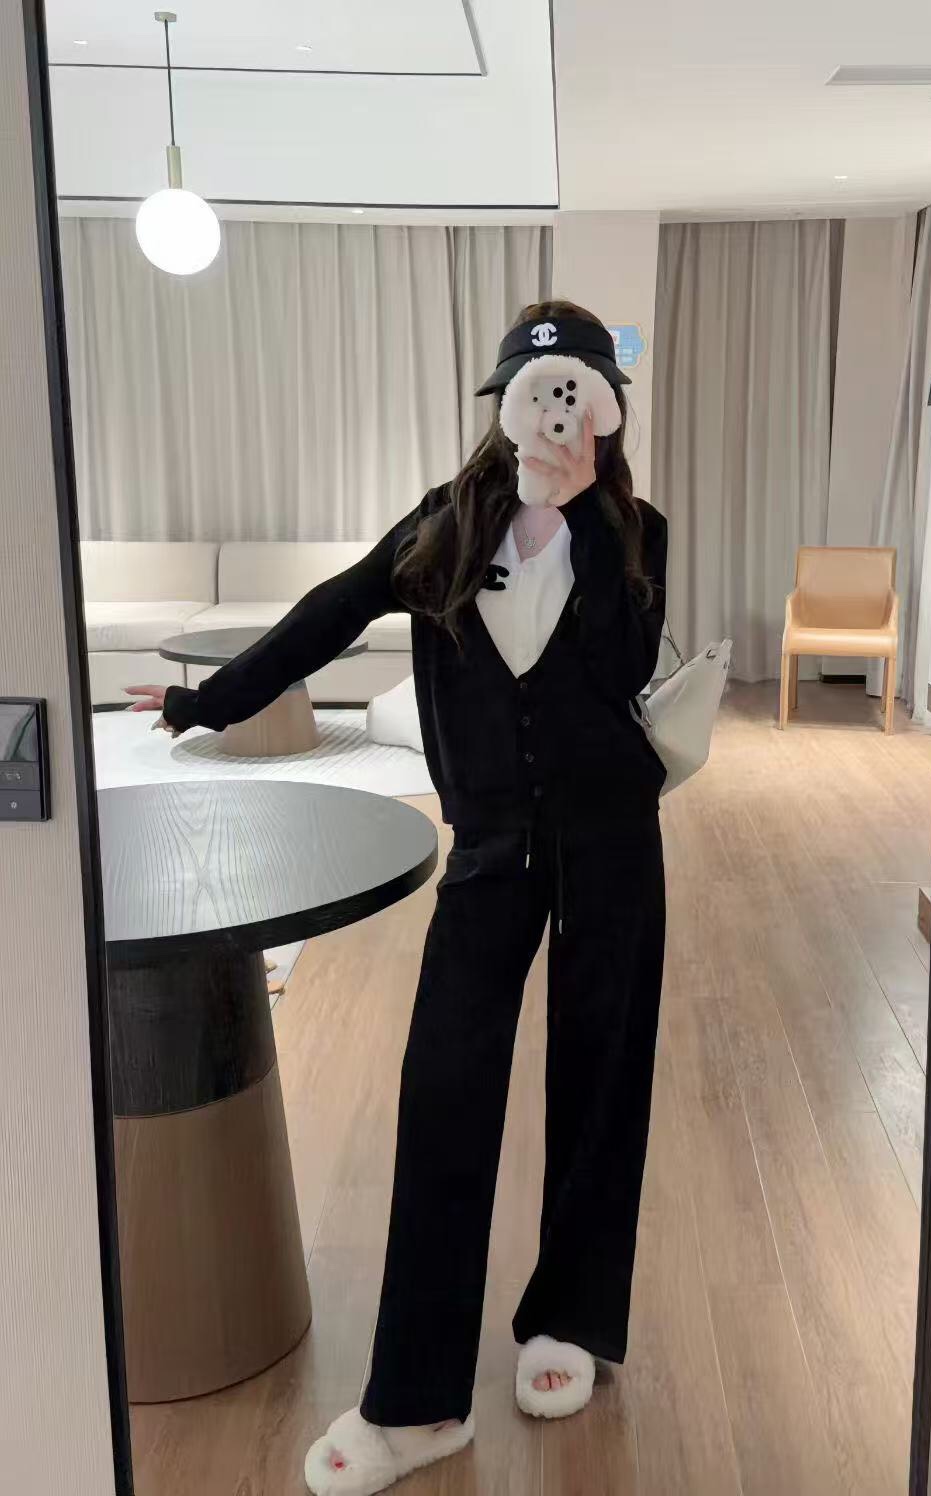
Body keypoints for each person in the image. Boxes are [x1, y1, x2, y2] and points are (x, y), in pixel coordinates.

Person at [127, 301, 668, 1496]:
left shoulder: (637, 531)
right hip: (491, 847)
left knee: (602, 1072)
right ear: (503, 405)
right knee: (444, 1090)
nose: (556, 413)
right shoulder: (445, 523)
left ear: (606, 408)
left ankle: (571, 1315)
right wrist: (207, 700)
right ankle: (419, 1402)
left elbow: (626, 665)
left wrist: (584, 511)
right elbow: (333, 609)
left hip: (613, 840)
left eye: (578, 392)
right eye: (537, 393)